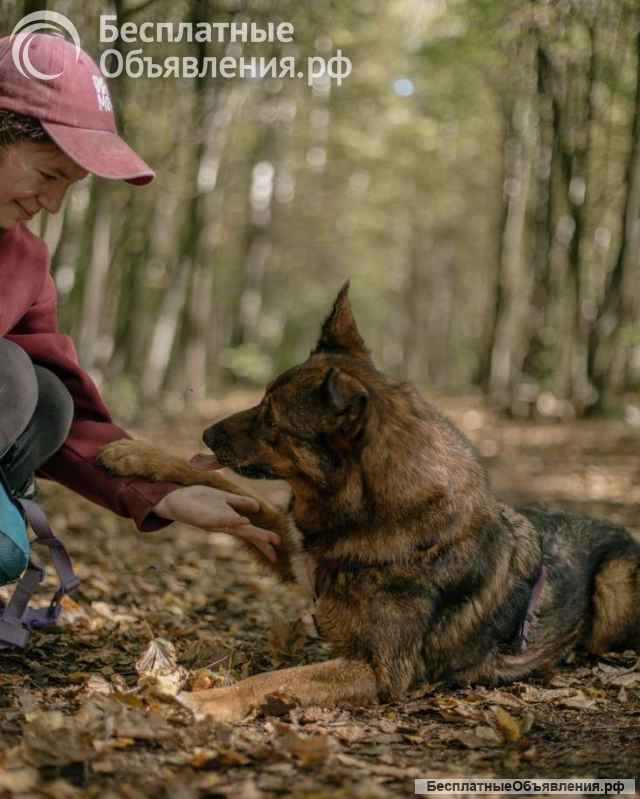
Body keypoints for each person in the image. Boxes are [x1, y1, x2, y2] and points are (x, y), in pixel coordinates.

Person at [0, 32, 280, 586]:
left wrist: (164, 493)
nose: (52, 203)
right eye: (48, 174)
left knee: (48, 396)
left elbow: (72, 420)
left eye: (69, 186)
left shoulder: (24, 260)